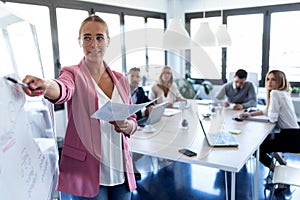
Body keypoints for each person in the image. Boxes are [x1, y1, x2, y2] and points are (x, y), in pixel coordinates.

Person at [22, 15, 137, 200]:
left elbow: (132, 119)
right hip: (88, 172)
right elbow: (63, 88)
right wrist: (46, 85)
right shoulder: (72, 73)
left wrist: (127, 126)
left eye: (99, 37)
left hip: (121, 169)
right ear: (80, 41)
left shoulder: (121, 79)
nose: (93, 44)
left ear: (108, 41)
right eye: (87, 37)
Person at [240, 70, 299, 196]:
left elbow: (272, 118)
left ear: (280, 82)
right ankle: (282, 164)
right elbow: (268, 110)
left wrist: (255, 116)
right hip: (295, 135)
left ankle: (278, 171)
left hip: (290, 138)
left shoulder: (275, 94)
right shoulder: (283, 93)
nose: (269, 82)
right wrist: (250, 114)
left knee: (258, 149)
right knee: (266, 143)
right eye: (268, 79)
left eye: (273, 79)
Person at [128, 67, 154, 181]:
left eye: (137, 76)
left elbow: (148, 101)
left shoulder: (140, 91)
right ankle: (131, 166)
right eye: (132, 76)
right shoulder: (121, 91)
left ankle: (132, 159)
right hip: (125, 124)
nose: (135, 79)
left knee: (149, 143)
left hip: (138, 122)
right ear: (127, 77)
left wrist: (150, 106)